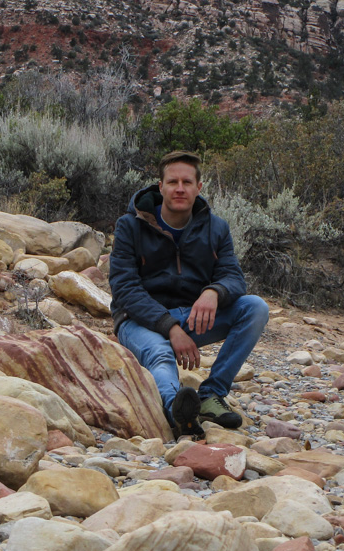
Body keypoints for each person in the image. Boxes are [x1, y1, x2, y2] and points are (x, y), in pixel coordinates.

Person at [109, 150, 269, 436]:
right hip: (138, 320)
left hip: (192, 317)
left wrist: (214, 292)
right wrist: (169, 327)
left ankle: (210, 395)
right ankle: (178, 411)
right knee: (160, 353)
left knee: (254, 307)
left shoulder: (216, 228)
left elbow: (233, 277)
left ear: (199, 187)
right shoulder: (130, 226)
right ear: (160, 187)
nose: (179, 188)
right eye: (172, 182)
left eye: (186, 182)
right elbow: (124, 288)